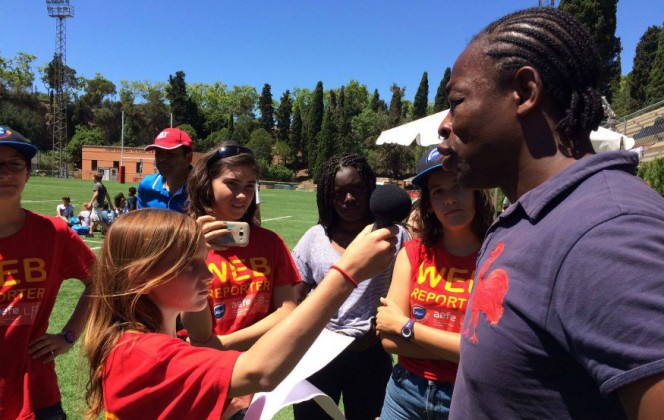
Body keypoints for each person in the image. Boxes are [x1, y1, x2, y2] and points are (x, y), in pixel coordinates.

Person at [436, 8, 664, 418]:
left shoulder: (610, 233)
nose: (444, 125)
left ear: (524, 91)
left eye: (457, 102)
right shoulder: (530, 214)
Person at [82, 208, 398, 419]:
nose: (208, 275)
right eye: (190, 265)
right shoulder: (144, 353)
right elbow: (259, 372)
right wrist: (346, 273)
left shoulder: (149, 343)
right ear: (142, 278)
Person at [182, 141, 300, 418]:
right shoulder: (183, 239)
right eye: (232, 184)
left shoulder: (270, 243)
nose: (242, 195)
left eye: (249, 186)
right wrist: (195, 253)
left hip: (251, 368)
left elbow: (287, 311)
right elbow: (180, 316)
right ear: (206, 184)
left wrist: (226, 343)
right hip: (199, 367)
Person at [376, 146, 494, 419]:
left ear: (476, 191)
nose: (450, 199)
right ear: (428, 203)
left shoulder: (497, 256)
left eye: (458, 185)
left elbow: (485, 351)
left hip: (468, 395)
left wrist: (406, 327)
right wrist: (456, 347)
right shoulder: (413, 253)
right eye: (438, 191)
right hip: (404, 392)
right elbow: (389, 340)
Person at [292, 153, 410, 420]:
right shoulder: (314, 238)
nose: (349, 198)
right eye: (338, 193)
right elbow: (294, 298)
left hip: (371, 352)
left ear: (370, 187)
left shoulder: (395, 235)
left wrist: (382, 327)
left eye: (357, 188)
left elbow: (407, 291)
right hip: (319, 354)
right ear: (327, 197)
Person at [0, 125, 96, 419]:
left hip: (37, 392)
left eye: (14, 165)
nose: (4, 173)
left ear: (27, 174)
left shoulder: (53, 233)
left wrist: (68, 336)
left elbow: (101, 279)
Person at [138, 127, 193, 213]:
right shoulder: (146, 186)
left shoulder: (203, 189)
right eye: (158, 153)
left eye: (170, 154)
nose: (162, 159)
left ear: (188, 158)